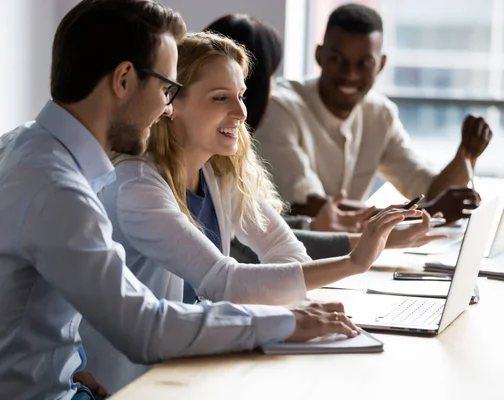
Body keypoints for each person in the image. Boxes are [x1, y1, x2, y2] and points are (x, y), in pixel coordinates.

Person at [0, 2, 364, 399]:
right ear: (125, 80)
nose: (168, 108)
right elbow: (145, 329)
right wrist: (287, 323)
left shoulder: (12, 149)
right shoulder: (58, 189)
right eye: (168, 89)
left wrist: (69, 371)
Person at [80, 31, 420, 392]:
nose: (242, 112)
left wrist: (312, 316)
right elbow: (226, 282)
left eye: (240, 96)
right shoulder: (138, 187)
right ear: (171, 102)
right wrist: (354, 261)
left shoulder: (217, 172)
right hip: (131, 383)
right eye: (221, 98)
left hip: (189, 369)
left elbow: (284, 251)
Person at [203, 13, 446, 264]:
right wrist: (376, 242)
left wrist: (314, 225)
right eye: (271, 79)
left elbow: (263, 231)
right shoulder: (198, 163)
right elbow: (239, 256)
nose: (244, 109)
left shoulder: (226, 161)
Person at [254, 3, 493, 224]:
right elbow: (308, 205)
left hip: (352, 253)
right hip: (292, 257)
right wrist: (425, 212)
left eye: (364, 63)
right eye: (338, 59)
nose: (350, 74)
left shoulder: (380, 115)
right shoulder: (280, 107)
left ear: (380, 64)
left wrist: (467, 155)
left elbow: (432, 192)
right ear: (319, 55)